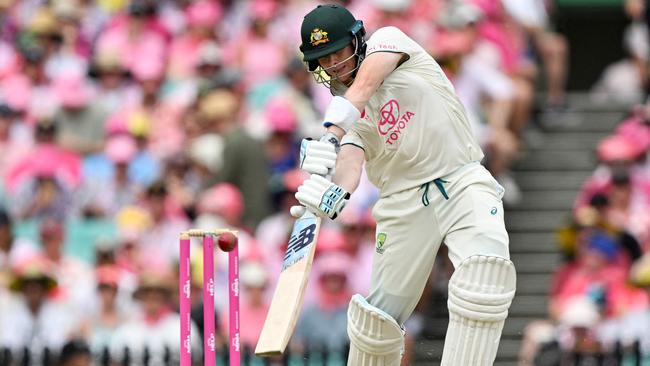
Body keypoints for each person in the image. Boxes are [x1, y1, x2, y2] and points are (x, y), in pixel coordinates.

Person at [293, 4, 515, 365]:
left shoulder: (389, 42)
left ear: (356, 41)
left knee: (483, 276)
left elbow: (364, 86)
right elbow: (351, 162)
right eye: (323, 58)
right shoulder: (344, 111)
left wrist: (329, 135)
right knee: (375, 325)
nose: (333, 64)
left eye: (337, 52)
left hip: (460, 179)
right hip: (402, 205)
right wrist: (332, 194)